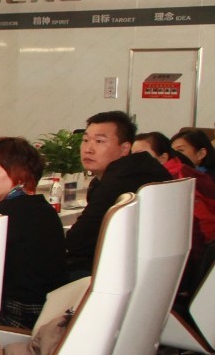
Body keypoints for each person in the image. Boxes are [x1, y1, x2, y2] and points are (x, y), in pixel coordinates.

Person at [64, 111, 171, 280]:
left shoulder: (118, 182)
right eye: (85, 140)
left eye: (99, 141)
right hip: (149, 273)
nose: (88, 149)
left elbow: (77, 241)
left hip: (113, 274)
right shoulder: (141, 170)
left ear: (124, 148)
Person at [0, 137, 67, 329]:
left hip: (20, 316)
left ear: (21, 174)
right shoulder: (42, 208)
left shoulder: (8, 213)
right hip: (48, 311)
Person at [135, 132, 215, 254]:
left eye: (141, 155)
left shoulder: (175, 177)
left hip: (195, 244)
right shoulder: (179, 170)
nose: (133, 160)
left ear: (163, 158)